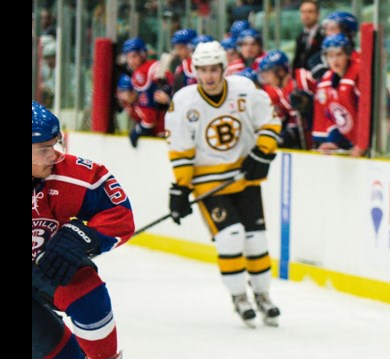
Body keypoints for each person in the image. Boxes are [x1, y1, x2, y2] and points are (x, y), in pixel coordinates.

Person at [32, 101, 152, 359]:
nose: (54, 154)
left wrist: (86, 235)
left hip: (46, 262)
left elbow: (118, 213)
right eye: (43, 149)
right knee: (54, 350)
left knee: (85, 290)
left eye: (55, 144)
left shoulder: (71, 173)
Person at [165, 41, 283, 327]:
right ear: (195, 71)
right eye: (203, 70)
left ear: (223, 68)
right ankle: (239, 296)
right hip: (207, 184)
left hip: (244, 178)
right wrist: (180, 188)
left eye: (214, 69)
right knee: (231, 236)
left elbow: (270, 121)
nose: (209, 76)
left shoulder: (244, 89)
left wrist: (261, 152)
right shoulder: (183, 101)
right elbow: (180, 148)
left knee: (256, 240)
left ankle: (263, 295)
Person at [311, 34, 366, 156]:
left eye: (339, 54)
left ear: (348, 54)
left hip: (369, 142)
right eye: (330, 56)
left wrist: (362, 145)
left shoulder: (358, 74)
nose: (335, 60)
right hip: (353, 144)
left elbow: (367, 113)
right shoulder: (326, 80)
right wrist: (334, 142)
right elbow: (331, 115)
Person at [258, 50, 316, 150]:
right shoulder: (281, 91)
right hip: (309, 143)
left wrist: (311, 104)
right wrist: (287, 136)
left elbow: (326, 100)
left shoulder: (303, 78)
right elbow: (295, 119)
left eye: (268, 74)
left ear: (280, 71)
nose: (265, 80)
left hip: (325, 140)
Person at [122, 37, 173, 148]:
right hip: (172, 126)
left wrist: (139, 129)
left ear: (143, 54)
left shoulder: (140, 73)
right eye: (128, 57)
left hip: (162, 129)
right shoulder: (153, 64)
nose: (130, 61)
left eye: (134, 56)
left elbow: (149, 116)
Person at [292, 0, 324, 72]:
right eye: (303, 12)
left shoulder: (324, 35)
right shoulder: (300, 37)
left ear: (318, 14)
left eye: (310, 12)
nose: (306, 15)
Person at [169, 28, 198, 92]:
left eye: (180, 48)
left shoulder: (201, 66)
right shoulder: (178, 65)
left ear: (191, 47)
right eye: (176, 48)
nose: (178, 52)